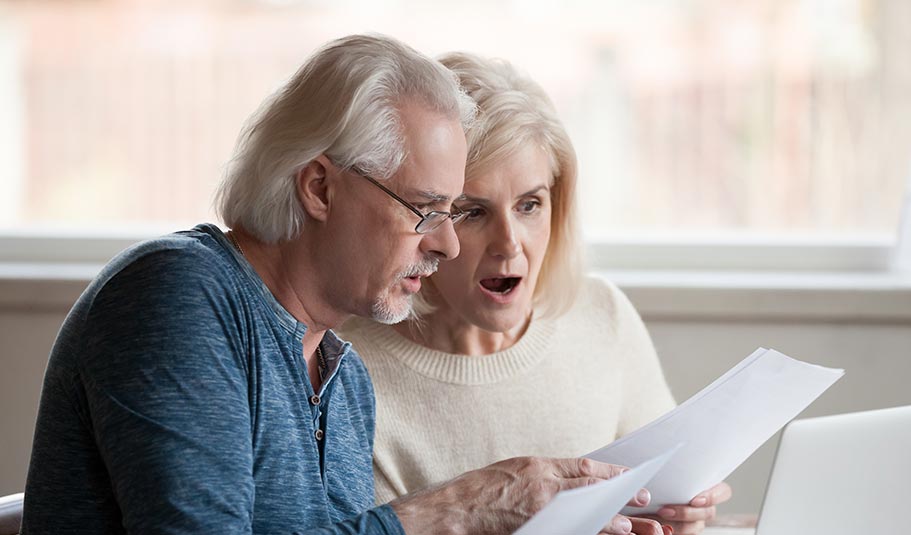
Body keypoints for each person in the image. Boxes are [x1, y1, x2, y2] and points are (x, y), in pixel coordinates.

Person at [20, 35, 661, 535]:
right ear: (320, 186)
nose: (446, 243)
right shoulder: (179, 296)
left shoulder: (341, 375)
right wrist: (455, 511)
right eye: (428, 210)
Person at [339, 52, 732, 535]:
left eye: (530, 205)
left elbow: (661, 501)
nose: (510, 244)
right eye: (472, 212)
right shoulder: (349, 370)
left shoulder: (601, 315)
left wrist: (684, 512)